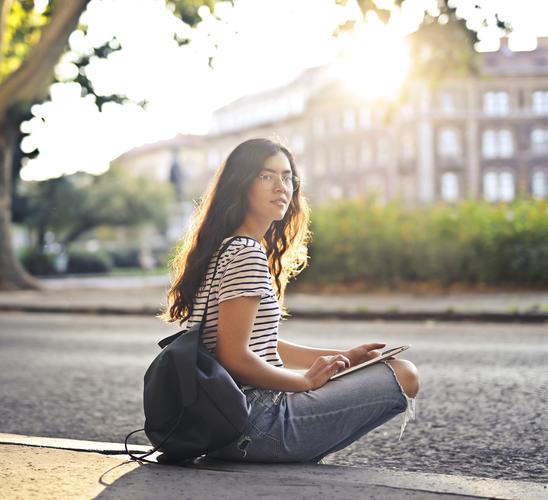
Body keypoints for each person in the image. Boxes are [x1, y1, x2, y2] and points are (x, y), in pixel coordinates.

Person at [160, 137, 419, 463]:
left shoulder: (226, 248)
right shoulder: (246, 253)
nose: (281, 186)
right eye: (266, 176)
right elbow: (234, 356)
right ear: (240, 184)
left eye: (287, 177)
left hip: (224, 428)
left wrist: (345, 358)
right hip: (254, 425)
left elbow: (263, 344)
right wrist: (303, 381)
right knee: (403, 372)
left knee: (382, 367)